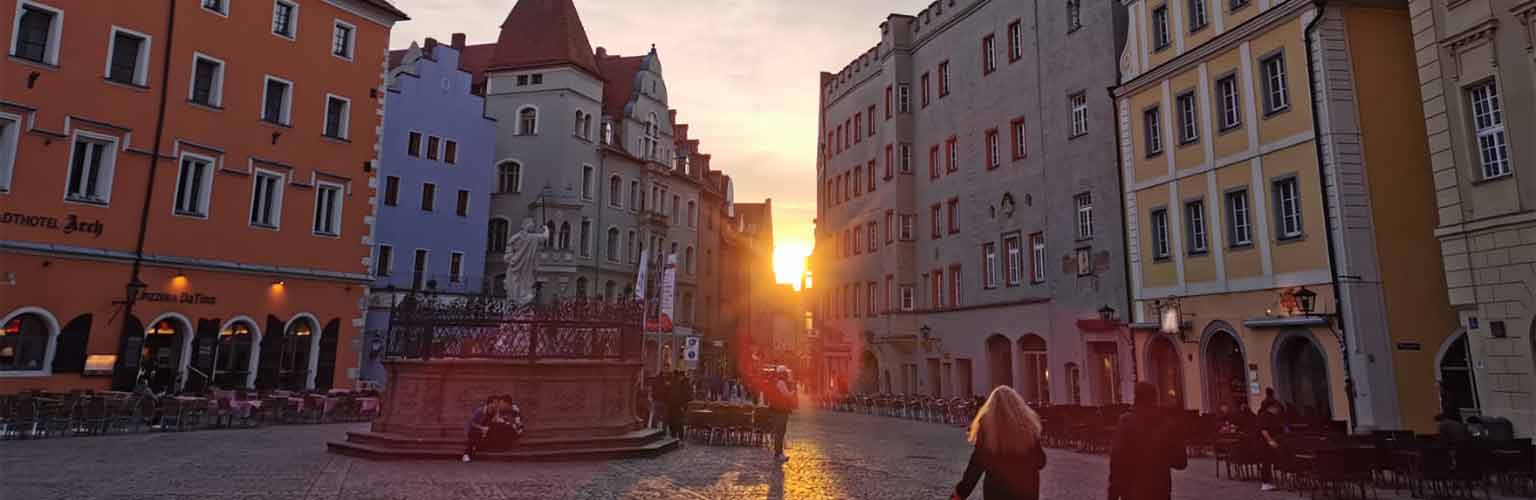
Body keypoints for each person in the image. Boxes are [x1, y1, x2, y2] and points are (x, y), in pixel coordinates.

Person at [951, 386, 1047, 500]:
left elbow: (976, 465)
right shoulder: (1026, 426)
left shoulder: (987, 426)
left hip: (997, 492)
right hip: (1026, 491)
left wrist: (961, 493)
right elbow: (1041, 461)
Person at [1108, 383, 1188, 500]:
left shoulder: (1125, 422)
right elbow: (1181, 462)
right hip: (1160, 491)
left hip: (1132, 492)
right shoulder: (1167, 424)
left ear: (1136, 398)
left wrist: (1113, 495)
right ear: (1155, 399)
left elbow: (1116, 462)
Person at [765, 367, 796, 462]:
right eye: (785, 373)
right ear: (782, 373)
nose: (786, 375)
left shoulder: (778, 382)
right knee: (780, 432)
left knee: (780, 432)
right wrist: (793, 392)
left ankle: (778, 453)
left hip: (778, 410)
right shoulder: (781, 382)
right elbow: (786, 395)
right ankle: (778, 453)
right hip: (780, 410)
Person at [1255, 398, 1286, 491]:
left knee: (1267, 462)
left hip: (1264, 443)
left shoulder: (1267, 415)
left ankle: (1268, 482)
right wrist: (1270, 441)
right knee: (1266, 462)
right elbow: (1264, 430)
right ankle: (1266, 483)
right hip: (1264, 443)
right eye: (1276, 408)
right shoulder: (1265, 416)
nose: (1278, 410)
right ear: (1271, 407)